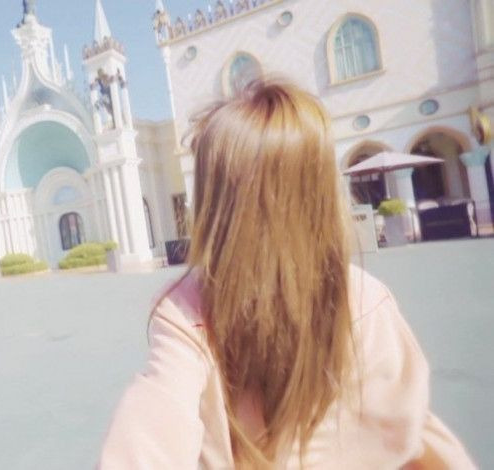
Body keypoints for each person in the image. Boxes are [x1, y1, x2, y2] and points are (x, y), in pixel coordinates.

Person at [98, 79, 475, 469]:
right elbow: (409, 428)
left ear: (214, 203)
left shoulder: (188, 310)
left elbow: (152, 427)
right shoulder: (366, 298)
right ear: (324, 192)